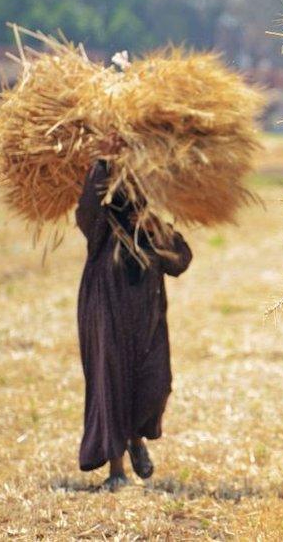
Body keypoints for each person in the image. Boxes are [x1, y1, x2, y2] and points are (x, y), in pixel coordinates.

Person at [75, 160, 192, 491]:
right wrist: (103, 163)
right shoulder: (101, 226)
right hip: (106, 318)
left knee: (157, 383)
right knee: (111, 386)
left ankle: (136, 438)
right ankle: (116, 470)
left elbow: (180, 262)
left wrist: (157, 230)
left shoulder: (150, 228)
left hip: (148, 320)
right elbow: (87, 207)